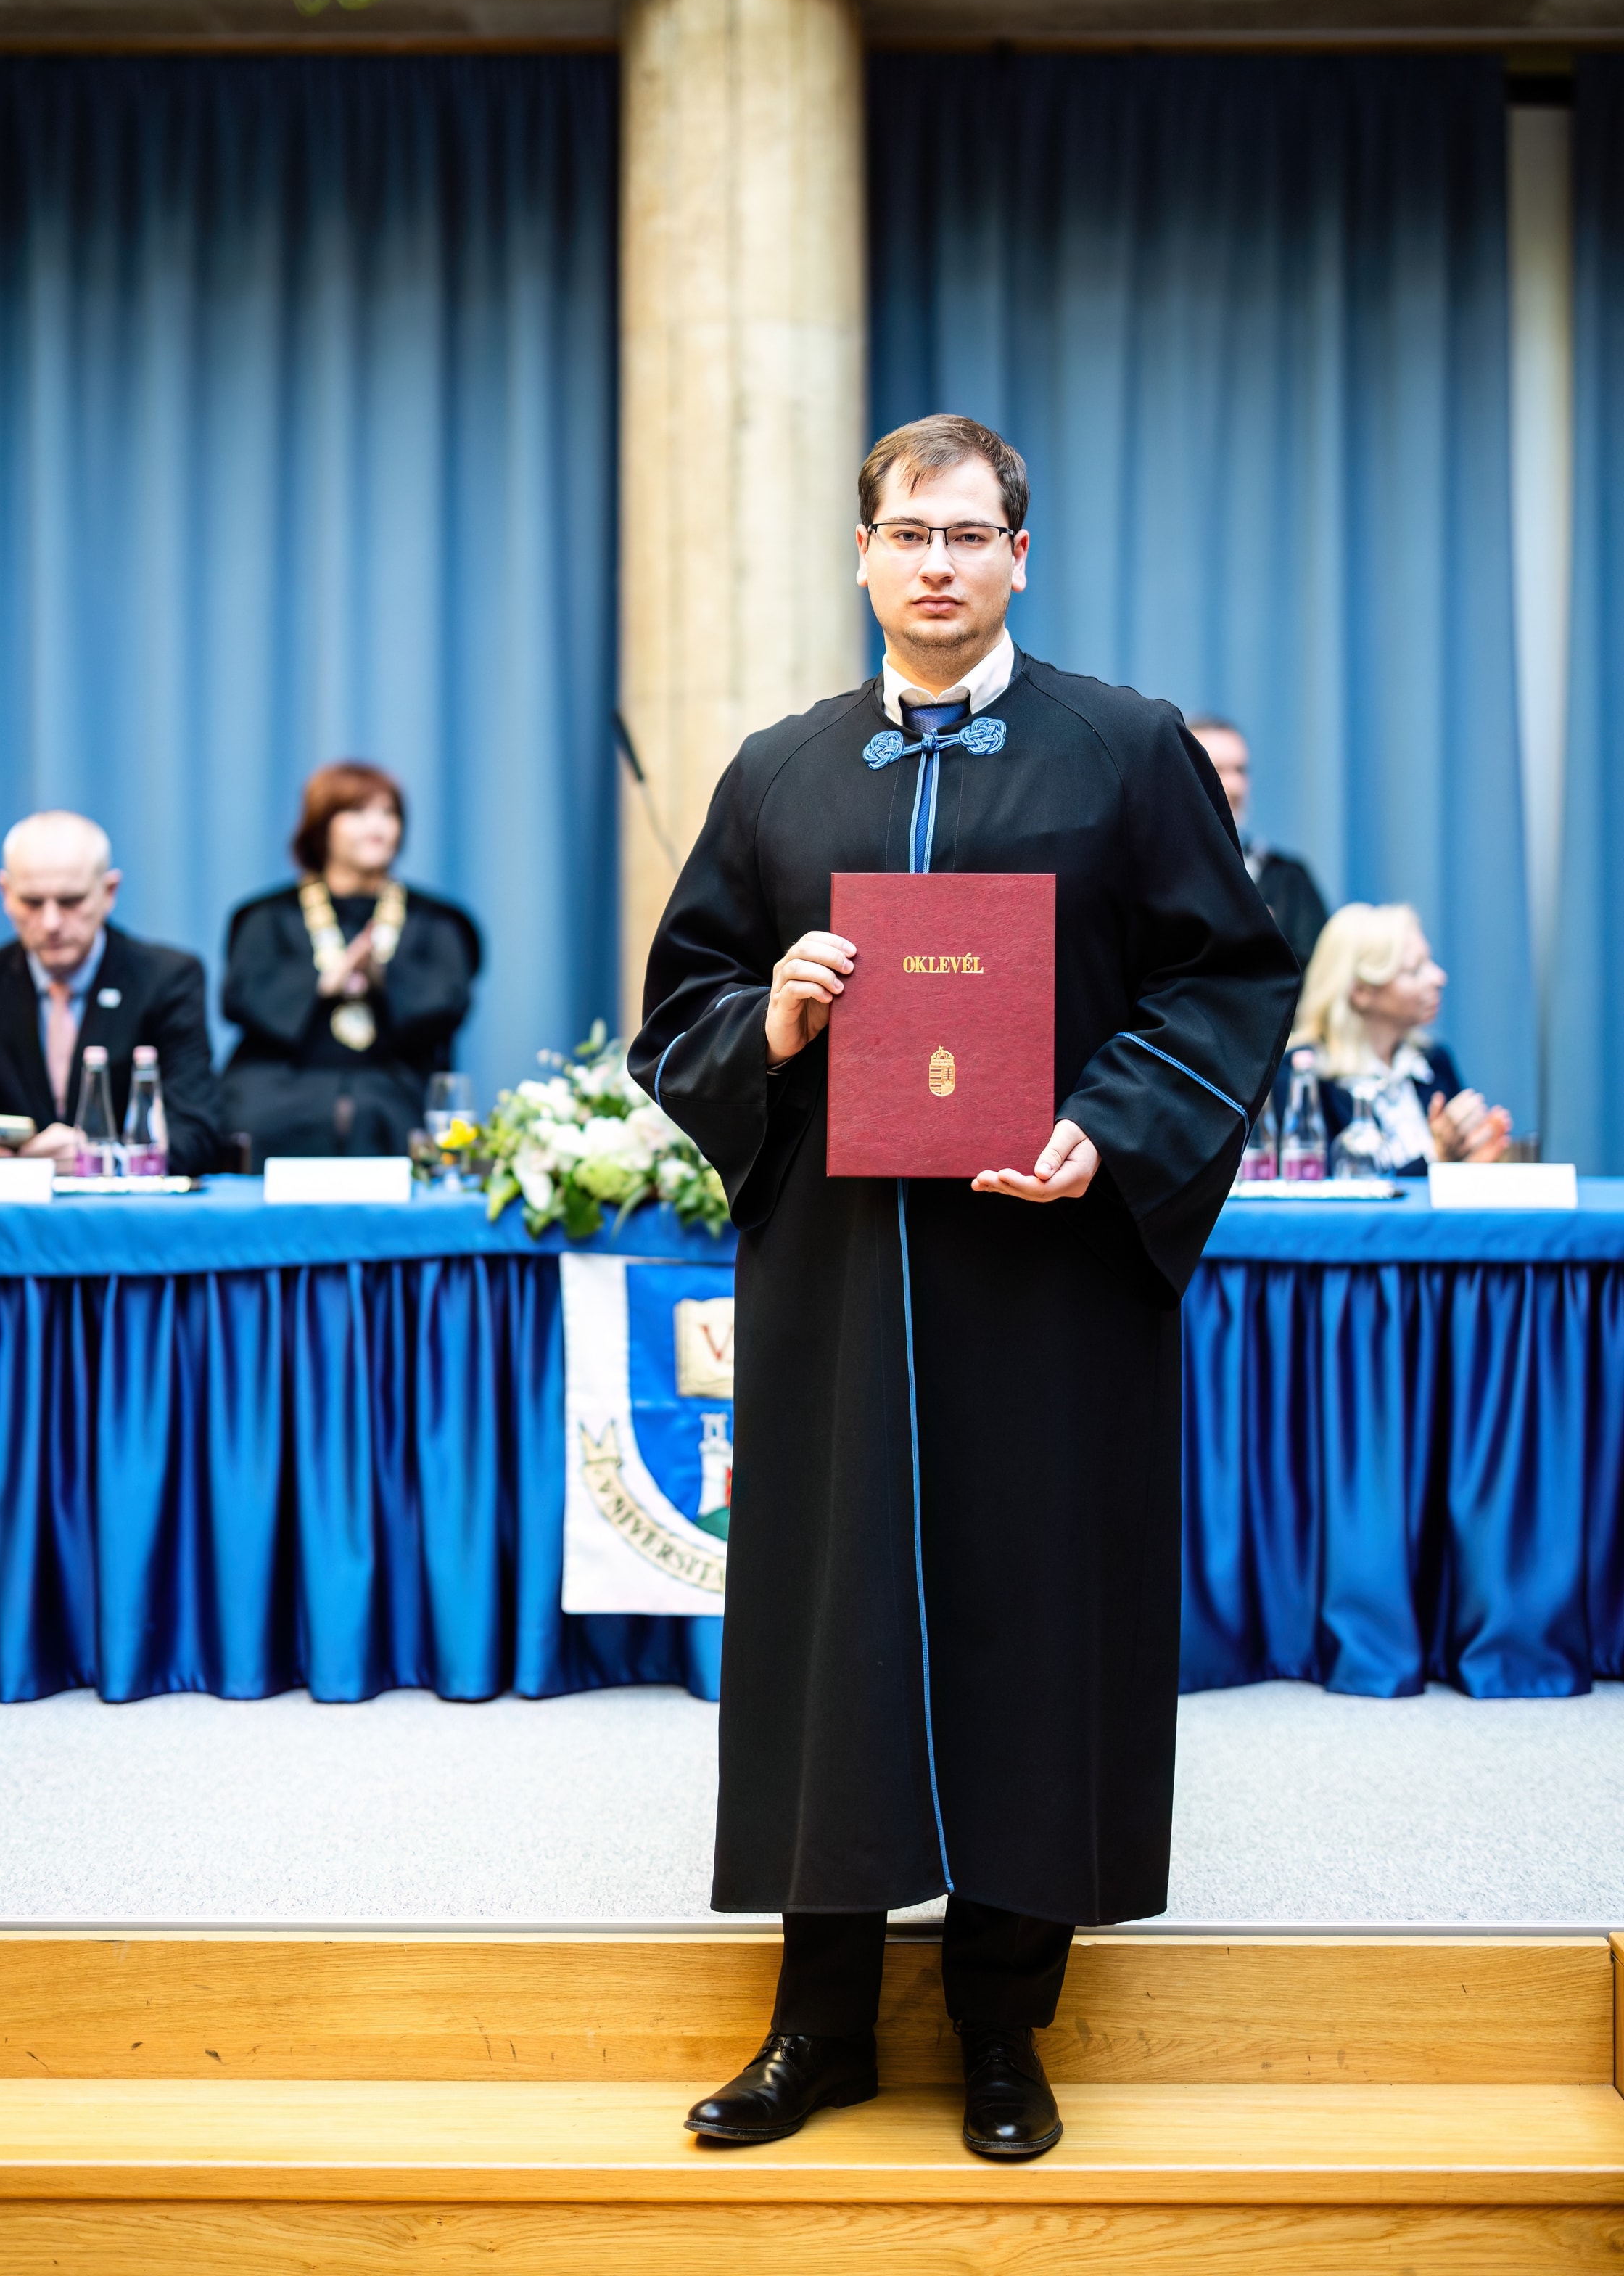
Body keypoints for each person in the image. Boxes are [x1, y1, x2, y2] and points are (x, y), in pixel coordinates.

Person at [630, 414, 1299, 2161]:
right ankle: (818, 2024)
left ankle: (1003, 2029)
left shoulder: (1124, 750)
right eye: (906, 534)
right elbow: (682, 1004)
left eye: (968, 535)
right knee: (829, 1623)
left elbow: (1227, 981)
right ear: (861, 554)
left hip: (1044, 1272)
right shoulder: (779, 771)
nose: (936, 563)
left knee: (1035, 1619)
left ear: (1018, 555)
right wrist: (774, 1016)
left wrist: (1110, 1125)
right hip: (841, 1281)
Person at [0, 810, 221, 1175]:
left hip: (119, 1206)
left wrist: (103, 1160)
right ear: (6, 893)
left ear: (109, 892)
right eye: (32, 902)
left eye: (71, 901)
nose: (51, 923)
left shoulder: (165, 979)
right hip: (8, 1207)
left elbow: (197, 1134)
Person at [220, 762, 482, 1164]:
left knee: (391, 1120)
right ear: (321, 825)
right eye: (357, 812)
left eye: (389, 813)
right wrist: (324, 983)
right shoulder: (267, 917)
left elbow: (450, 1002)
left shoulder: (437, 921)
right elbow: (242, 998)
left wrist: (384, 980)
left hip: (394, 1084)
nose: (377, 827)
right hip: (283, 1085)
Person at [1289, 901, 1510, 1170]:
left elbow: (1461, 1170)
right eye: (1416, 970)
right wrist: (1436, 1157)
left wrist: (1476, 1159)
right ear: (1362, 992)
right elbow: (1329, 1186)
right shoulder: (1303, 1076)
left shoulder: (1434, 1063)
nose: (1439, 978)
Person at [1189, 715, 1329, 971]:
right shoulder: (1150, 874)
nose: (1235, 786)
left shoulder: (1286, 880)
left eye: (1240, 770)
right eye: (1217, 769)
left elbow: (1321, 978)